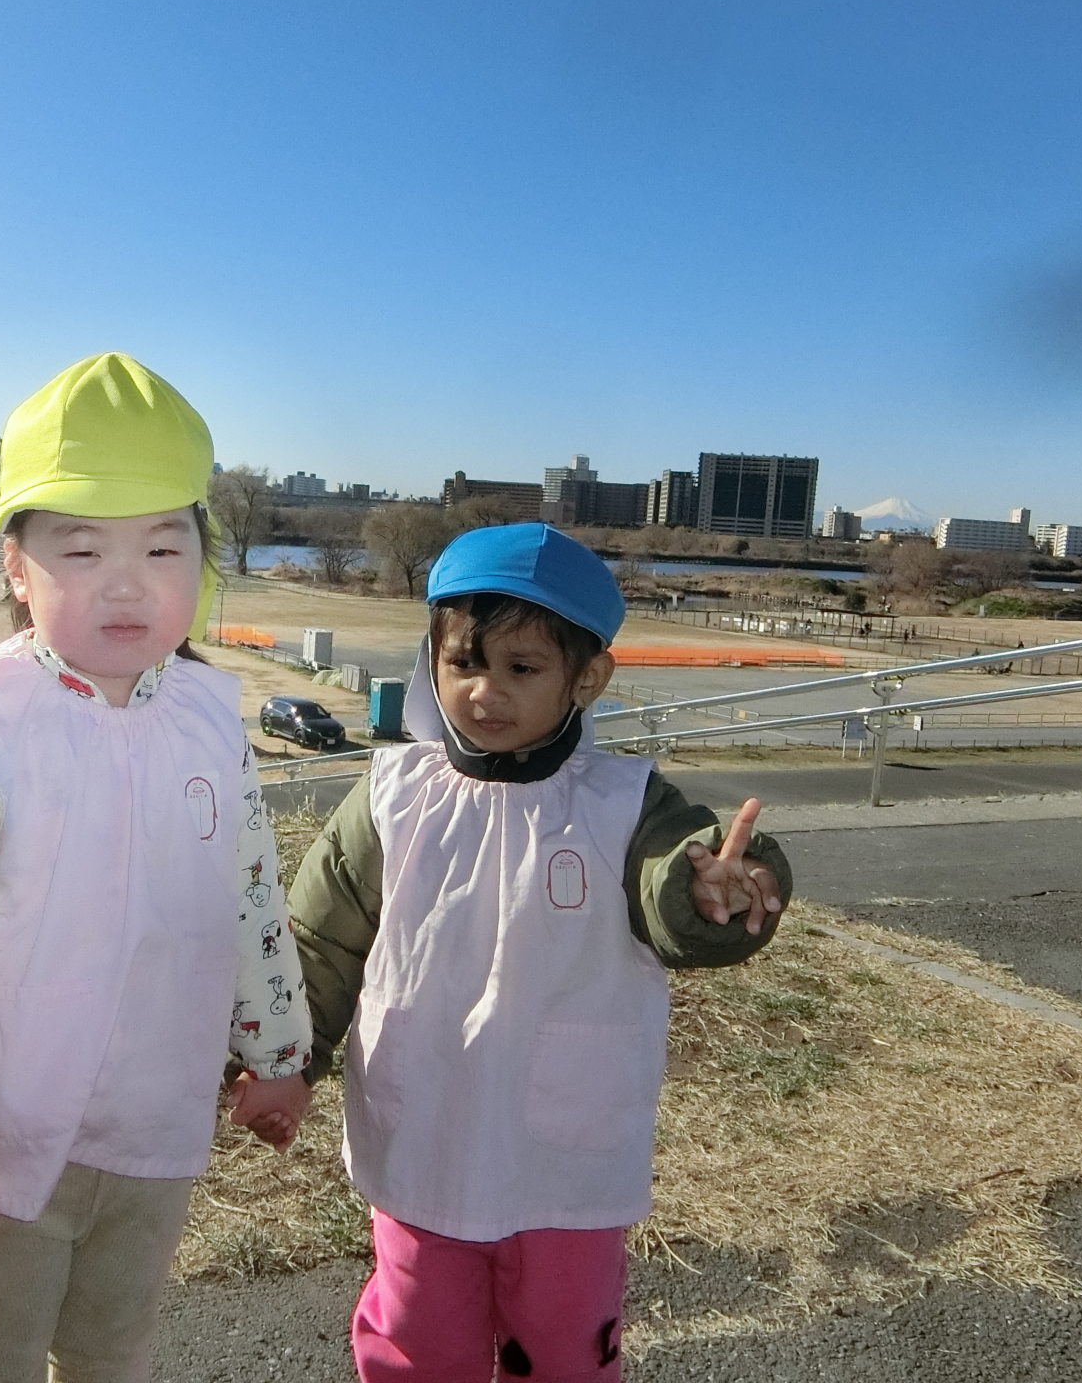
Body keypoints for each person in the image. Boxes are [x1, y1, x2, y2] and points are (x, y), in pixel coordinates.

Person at [0, 353, 312, 1383]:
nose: (128, 582)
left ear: (202, 559)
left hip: (156, 1122)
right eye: (81, 549)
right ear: (15, 567)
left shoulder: (210, 718)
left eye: (163, 547)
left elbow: (249, 897)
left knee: (112, 1353)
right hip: (5, 1141)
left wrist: (277, 1052)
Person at [289, 522, 794, 1383]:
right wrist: (284, 1059)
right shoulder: (390, 794)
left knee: (563, 1343)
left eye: (522, 669)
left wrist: (713, 890)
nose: (485, 692)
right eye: (464, 663)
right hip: (423, 1125)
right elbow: (320, 939)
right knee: (417, 1335)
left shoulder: (627, 802)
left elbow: (675, 877)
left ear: (586, 678)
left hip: (565, 1152)